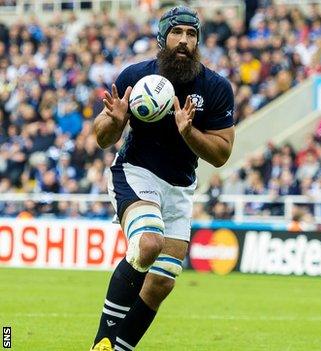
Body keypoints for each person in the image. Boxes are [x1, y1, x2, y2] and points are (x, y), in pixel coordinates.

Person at [90, 6, 235, 351]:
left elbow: (221, 154)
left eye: (191, 34)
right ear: (162, 37)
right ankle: (101, 344)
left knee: (161, 284)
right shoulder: (135, 77)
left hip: (181, 188)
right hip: (136, 172)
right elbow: (101, 138)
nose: (184, 41)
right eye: (177, 33)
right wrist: (114, 120)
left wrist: (188, 132)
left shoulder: (215, 88)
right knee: (148, 245)